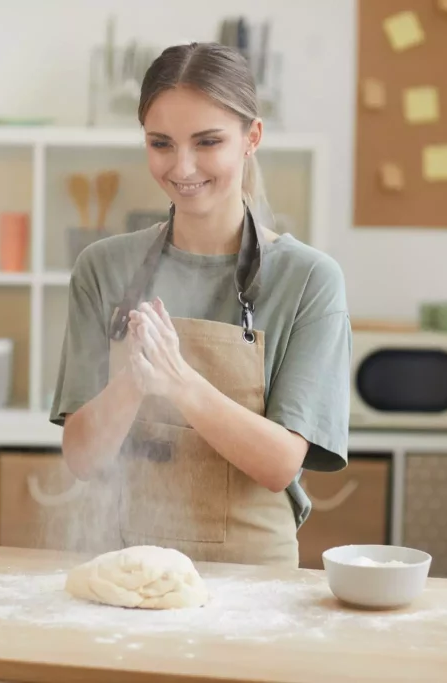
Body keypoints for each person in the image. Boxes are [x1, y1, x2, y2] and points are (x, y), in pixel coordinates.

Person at [49, 41, 351, 568]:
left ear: (250, 138)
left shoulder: (309, 280)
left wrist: (178, 381)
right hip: (127, 569)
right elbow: (81, 457)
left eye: (207, 142)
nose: (182, 167)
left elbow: (281, 464)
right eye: (161, 143)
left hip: (254, 584)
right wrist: (133, 381)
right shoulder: (103, 269)